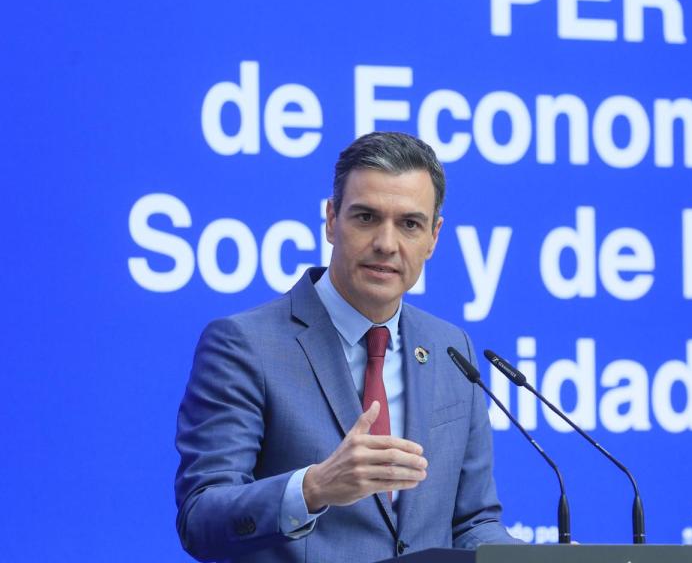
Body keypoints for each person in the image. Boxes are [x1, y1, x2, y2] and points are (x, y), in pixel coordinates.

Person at [174, 132, 517, 563]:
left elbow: (473, 522)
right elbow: (200, 519)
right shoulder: (245, 345)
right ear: (332, 219)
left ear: (433, 237)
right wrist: (313, 488)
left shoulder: (451, 349)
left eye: (409, 224)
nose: (387, 244)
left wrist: (539, 562)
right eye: (366, 217)